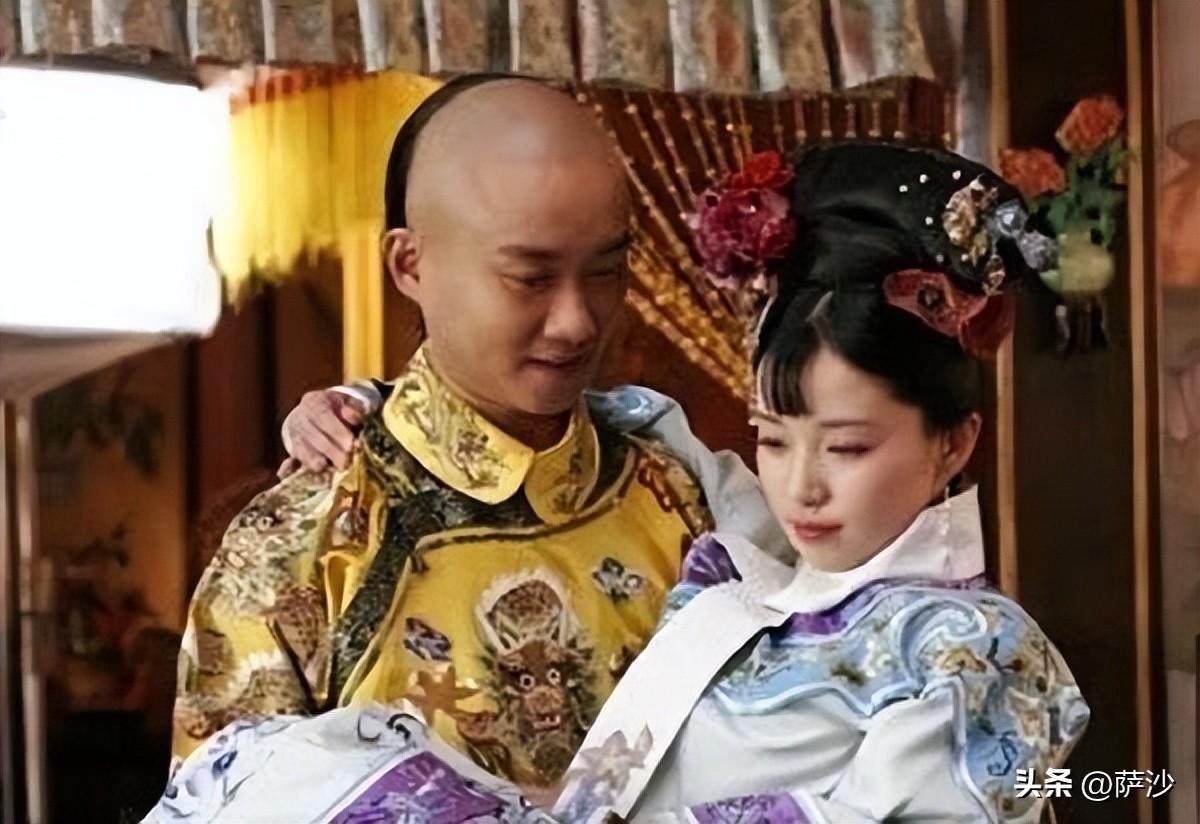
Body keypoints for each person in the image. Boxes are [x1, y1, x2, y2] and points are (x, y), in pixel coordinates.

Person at [172, 72, 785, 808]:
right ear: (411, 264)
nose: (578, 321)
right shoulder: (297, 549)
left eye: (605, 271)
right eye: (529, 278)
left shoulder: (690, 501)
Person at [550, 143, 1089, 823]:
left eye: (846, 447)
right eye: (773, 440)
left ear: (953, 443)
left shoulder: (969, 651)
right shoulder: (734, 590)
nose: (801, 486)